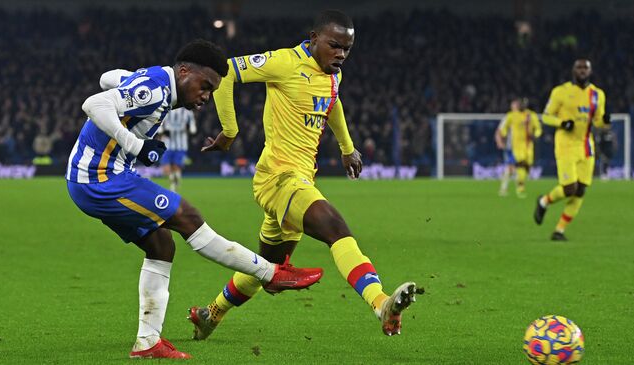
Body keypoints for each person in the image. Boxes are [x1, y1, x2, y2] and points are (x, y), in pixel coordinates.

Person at [65, 39, 323, 359]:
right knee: (187, 216)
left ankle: (148, 342)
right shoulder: (157, 90)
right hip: (100, 179)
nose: (206, 97)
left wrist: (132, 83)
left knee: (161, 245)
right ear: (184, 71)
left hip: (95, 178)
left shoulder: (156, 81)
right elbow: (94, 103)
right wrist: (136, 145)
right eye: (205, 86)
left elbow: (107, 78)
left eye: (212, 91)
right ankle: (271, 274)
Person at [188, 10, 420, 339]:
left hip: (300, 181)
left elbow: (333, 101)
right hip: (278, 179)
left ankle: (210, 314)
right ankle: (381, 303)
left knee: (268, 270)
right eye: (334, 45)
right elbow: (224, 72)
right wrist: (229, 131)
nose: (340, 54)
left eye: (347, 49)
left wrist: (347, 148)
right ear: (313, 39)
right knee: (336, 229)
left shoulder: (332, 74)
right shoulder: (283, 62)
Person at [534, 59, 608, 240]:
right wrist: (562, 123)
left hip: (586, 146)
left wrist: (605, 121)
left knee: (581, 190)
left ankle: (559, 231)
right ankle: (544, 201)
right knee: (569, 188)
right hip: (565, 145)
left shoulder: (597, 94)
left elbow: (598, 122)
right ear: (573, 71)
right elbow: (546, 117)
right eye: (579, 67)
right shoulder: (561, 92)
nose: (582, 71)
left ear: (590, 71)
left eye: (586, 68)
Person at [497, 97, 542, 198]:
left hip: (529, 146)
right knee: (517, 165)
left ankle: (511, 187)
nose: (522, 106)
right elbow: (503, 129)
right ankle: (518, 188)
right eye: (520, 104)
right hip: (515, 146)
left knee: (527, 166)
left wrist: (536, 135)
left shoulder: (531, 115)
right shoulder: (512, 115)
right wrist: (502, 138)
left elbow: (538, 128)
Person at [159, 108, 196, 192]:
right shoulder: (167, 110)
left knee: (176, 167)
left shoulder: (187, 112)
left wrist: (188, 128)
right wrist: (163, 131)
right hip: (167, 144)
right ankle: (174, 181)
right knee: (166, 168)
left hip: (181, 145)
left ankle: (173, 185)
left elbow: (193, 129)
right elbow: (159, 125)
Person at [495, 100, 518, 196]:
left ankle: (515, 188)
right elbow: (499, 131)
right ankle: (504, 188)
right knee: (510, 167)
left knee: (515, 168)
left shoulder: (524, 117)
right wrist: (499, 141)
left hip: (521, 147)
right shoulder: (508, 117)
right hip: (510, 147)